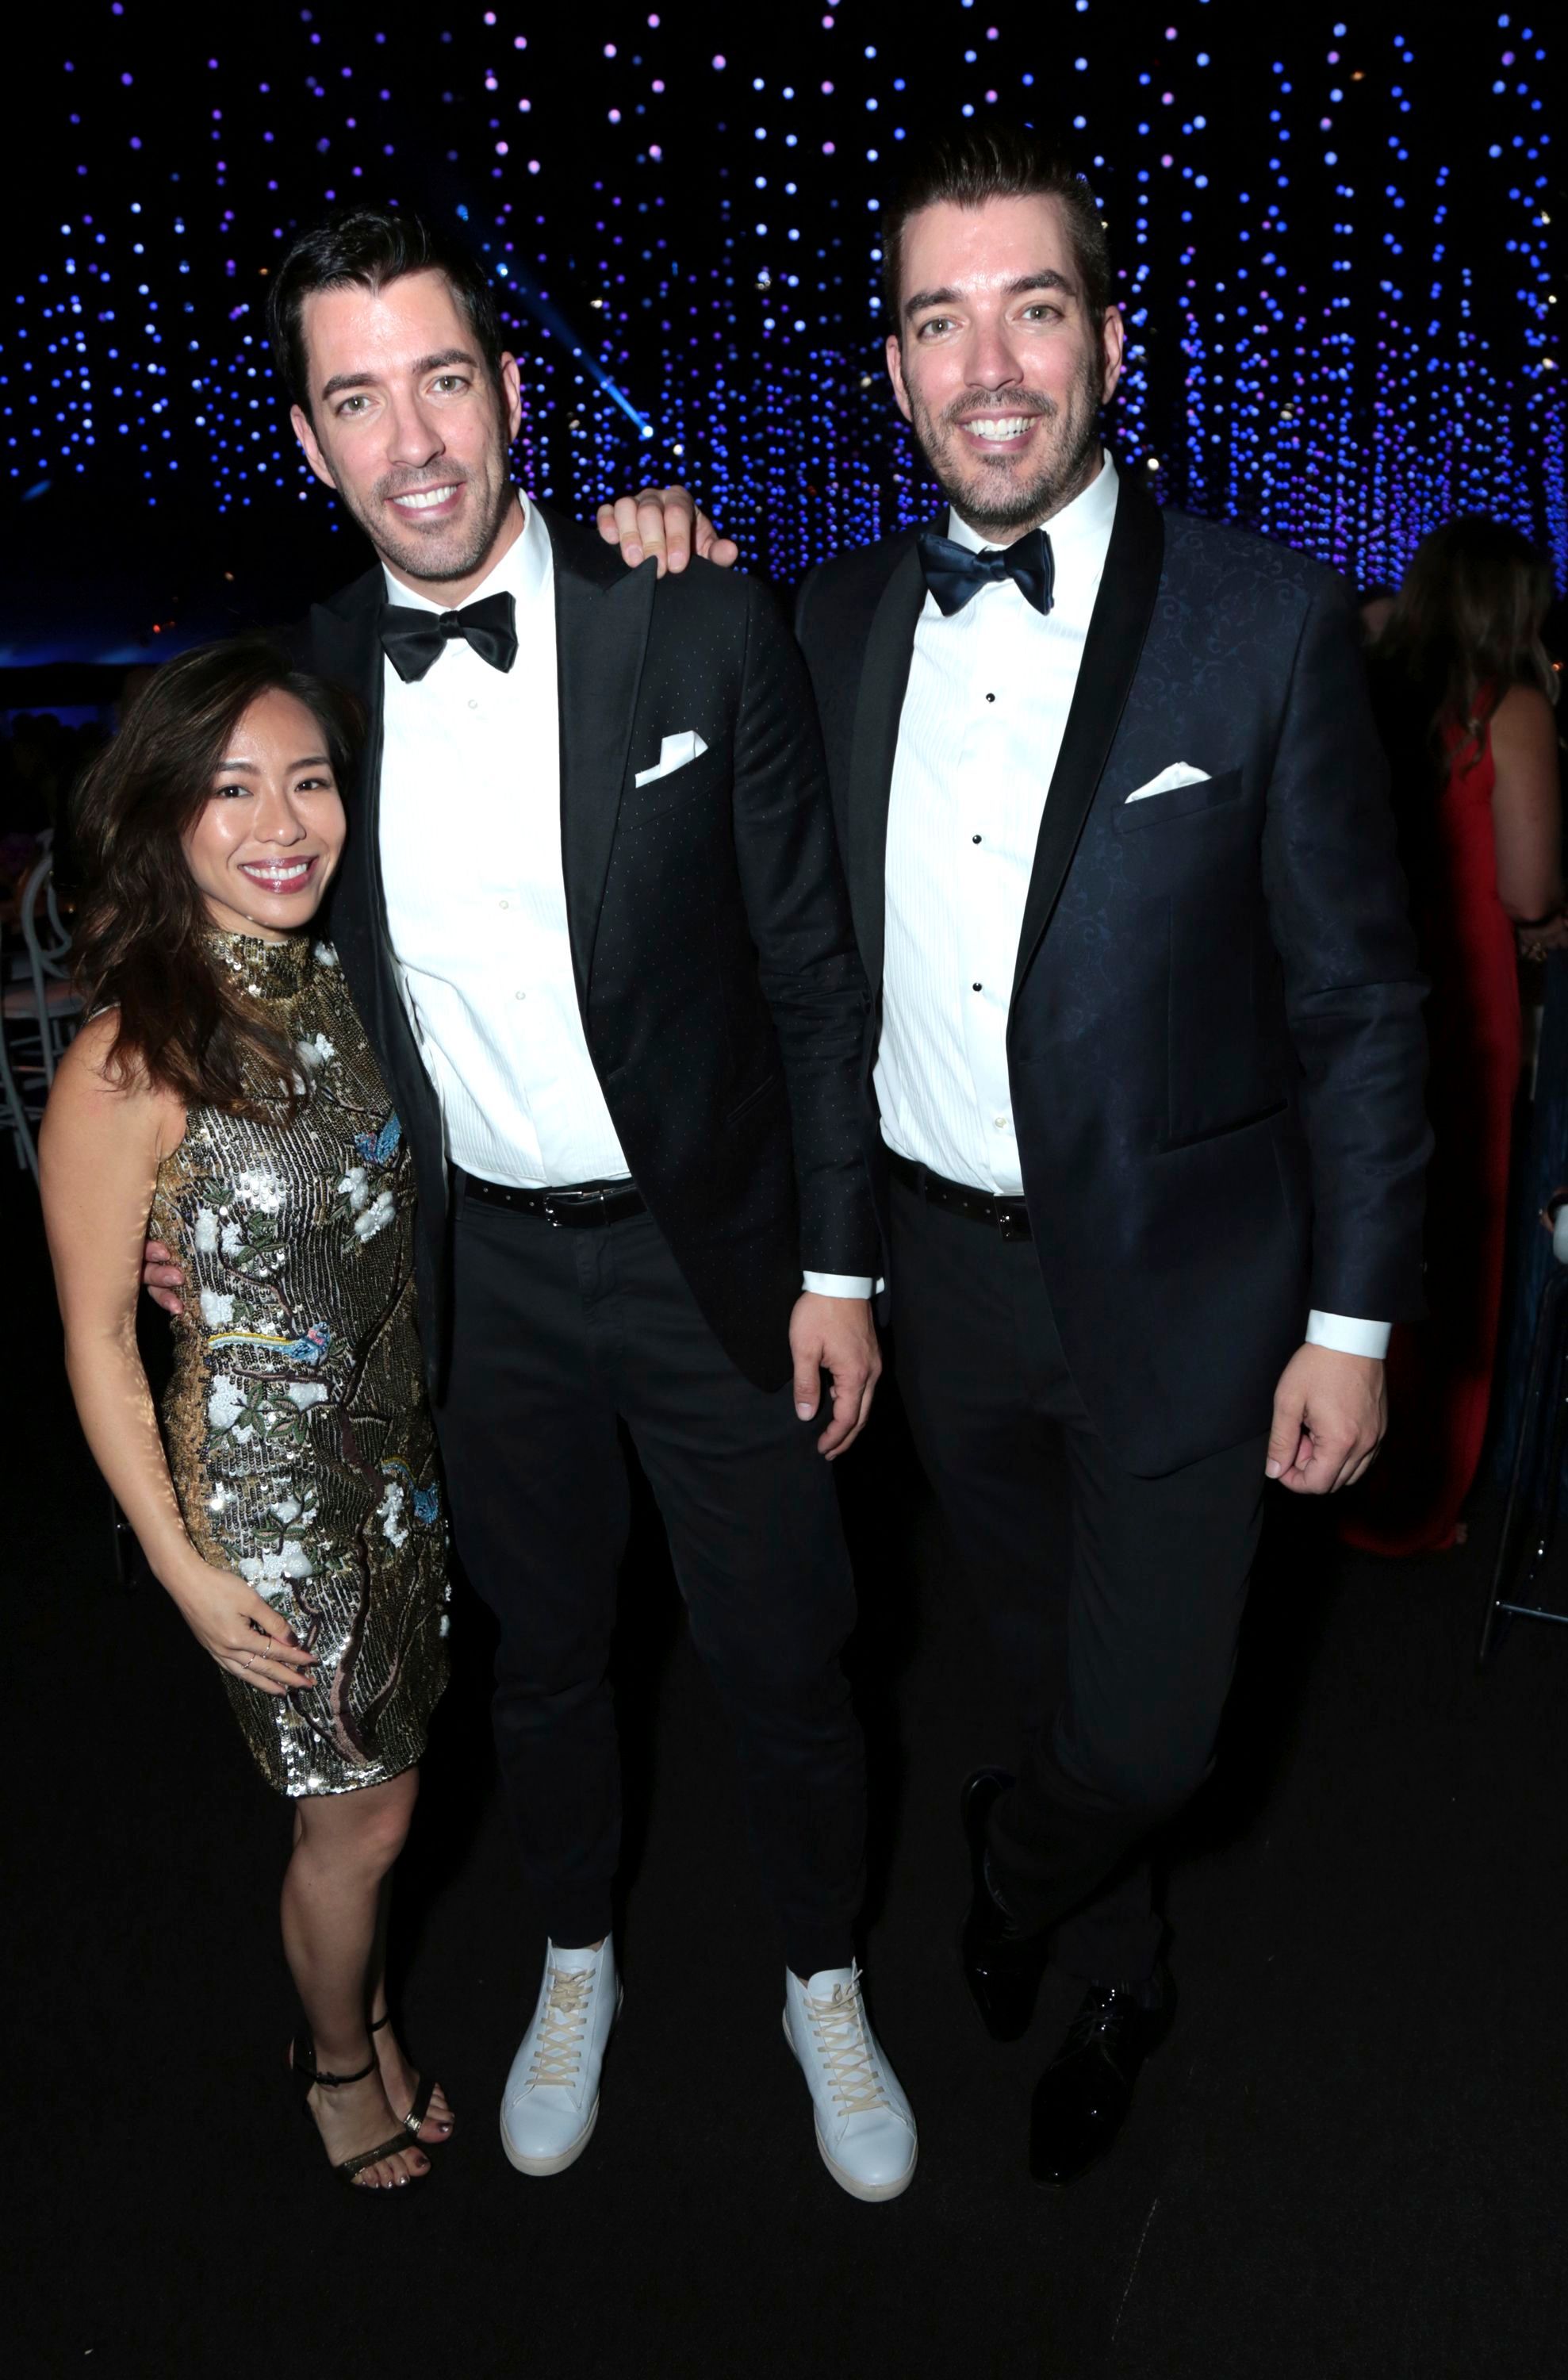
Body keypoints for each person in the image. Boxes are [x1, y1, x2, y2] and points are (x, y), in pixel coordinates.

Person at [605, 125, 1430, 2185]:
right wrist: (642, 599)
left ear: (1110, 343)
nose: (987, 364)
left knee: (1149, 1730)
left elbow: (1357, 1008)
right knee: (1046, 1654)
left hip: (1193, 1288)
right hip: (935, 1285)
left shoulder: (1271, 624)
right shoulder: (821, 626)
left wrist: (1353, 1321)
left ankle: (1017, 1867)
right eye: (938, 319)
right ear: (890, 370)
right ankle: (1116, 1963)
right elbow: (700, 896)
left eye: (1032, 309)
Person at [148, 208, 916, 2200]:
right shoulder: (304, 689)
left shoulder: (693, 619)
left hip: (715, 1261)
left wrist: (837, 1265)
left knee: (785, 1653)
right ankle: (576, 1958)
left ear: (508, 391)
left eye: (442, 377)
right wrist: (168, 1201)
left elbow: (817, 978)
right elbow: (217, 975)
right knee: (548, 1662)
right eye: (355, 396)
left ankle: (821, 1976)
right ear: (310, 443)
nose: (410, 437)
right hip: (476, 1283)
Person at [41, 640, 454, 2191]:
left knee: (389, 1810)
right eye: (230, 790)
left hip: (397, 1475)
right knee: (360, 1825)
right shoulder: (124, 1059)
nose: (283, 822)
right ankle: (337, 2061)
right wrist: (183, 1566)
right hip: (270, 1515)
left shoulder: (343, 983)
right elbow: (90, 1342)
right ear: (161, 818)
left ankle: (368, 2012)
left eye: (309, 780)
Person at [1341, 517, 1563, 1557]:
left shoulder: (1369, 691)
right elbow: (1525, 890)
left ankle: (1336, 1472)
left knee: (1364, 1240)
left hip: (1364, 994)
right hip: (1462, 1010)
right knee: (1459, 1249)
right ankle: (1420, 1501)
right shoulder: (1506, 708)